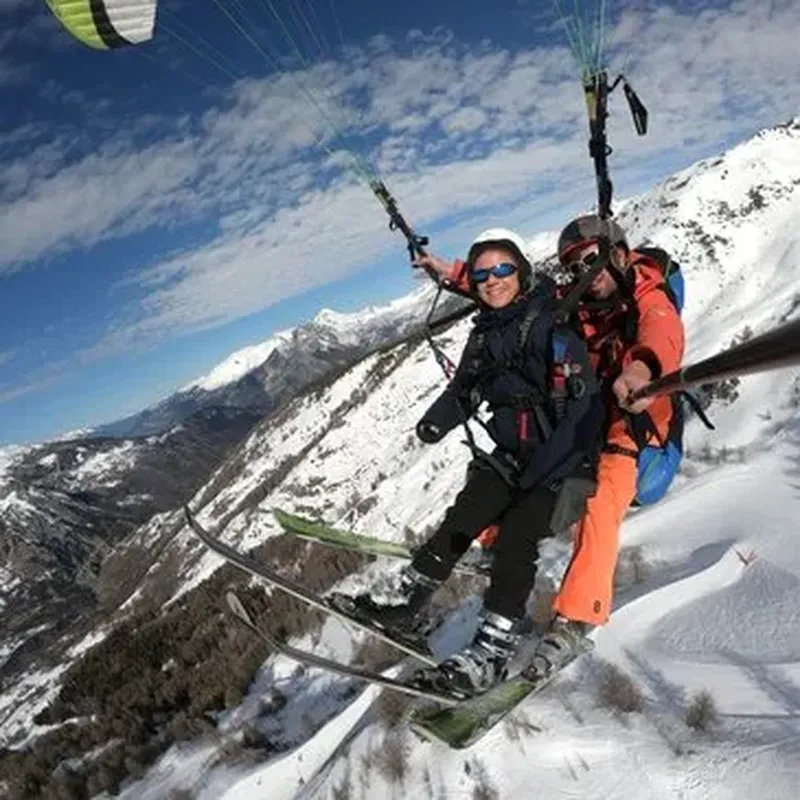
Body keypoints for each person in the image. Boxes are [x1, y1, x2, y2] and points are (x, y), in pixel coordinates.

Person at [332, 228, 605, 697]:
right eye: (481, 274)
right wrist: (434, 423)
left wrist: (545, 471)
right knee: (465, 514)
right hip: (513, 457)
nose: (492, 280)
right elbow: (466, 390)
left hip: (563, 463)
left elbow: (584, 410)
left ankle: (493, 650)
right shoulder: (485, 335)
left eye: (502, 269)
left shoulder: (553, 325)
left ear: (521, 271)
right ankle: (408, 602)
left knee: (518, 536)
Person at [412, 214, 685, 680]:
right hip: (587, 410)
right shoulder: (579, 296)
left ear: (620, 254)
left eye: (596, 261)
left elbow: (660, 333)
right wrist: (458, 274)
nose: (590, 273)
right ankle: (498, 542)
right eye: (578, 266)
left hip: (634, 421)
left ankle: (578, 616)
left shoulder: (647, 292)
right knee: (513, 461)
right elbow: (516, 289)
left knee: (600, 497)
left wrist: (640, 372)